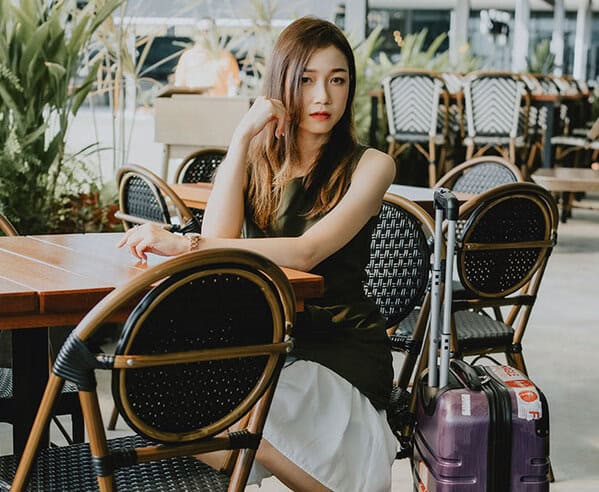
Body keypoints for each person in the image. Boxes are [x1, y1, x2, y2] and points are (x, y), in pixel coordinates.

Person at [119, 16, 397, 491]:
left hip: (337, 347)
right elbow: (219, 234)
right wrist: (242, 137)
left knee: (244, 419)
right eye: (306, 80)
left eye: (337, 80)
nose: (322, 97)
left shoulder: (372, 165)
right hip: (265, 338)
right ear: (280, 85)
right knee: (162, 404)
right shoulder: (259, 161)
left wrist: (183, 244)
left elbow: (306, 252)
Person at [173, 17, 240, 96]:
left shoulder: (226, 58)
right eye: (199, 31)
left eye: (207, 31)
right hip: (193, 103)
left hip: (217, 103)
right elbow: (179, 86)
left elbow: (232, 88)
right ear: (195, 35)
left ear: (215, 33)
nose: (203, 34)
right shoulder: (187, 57)